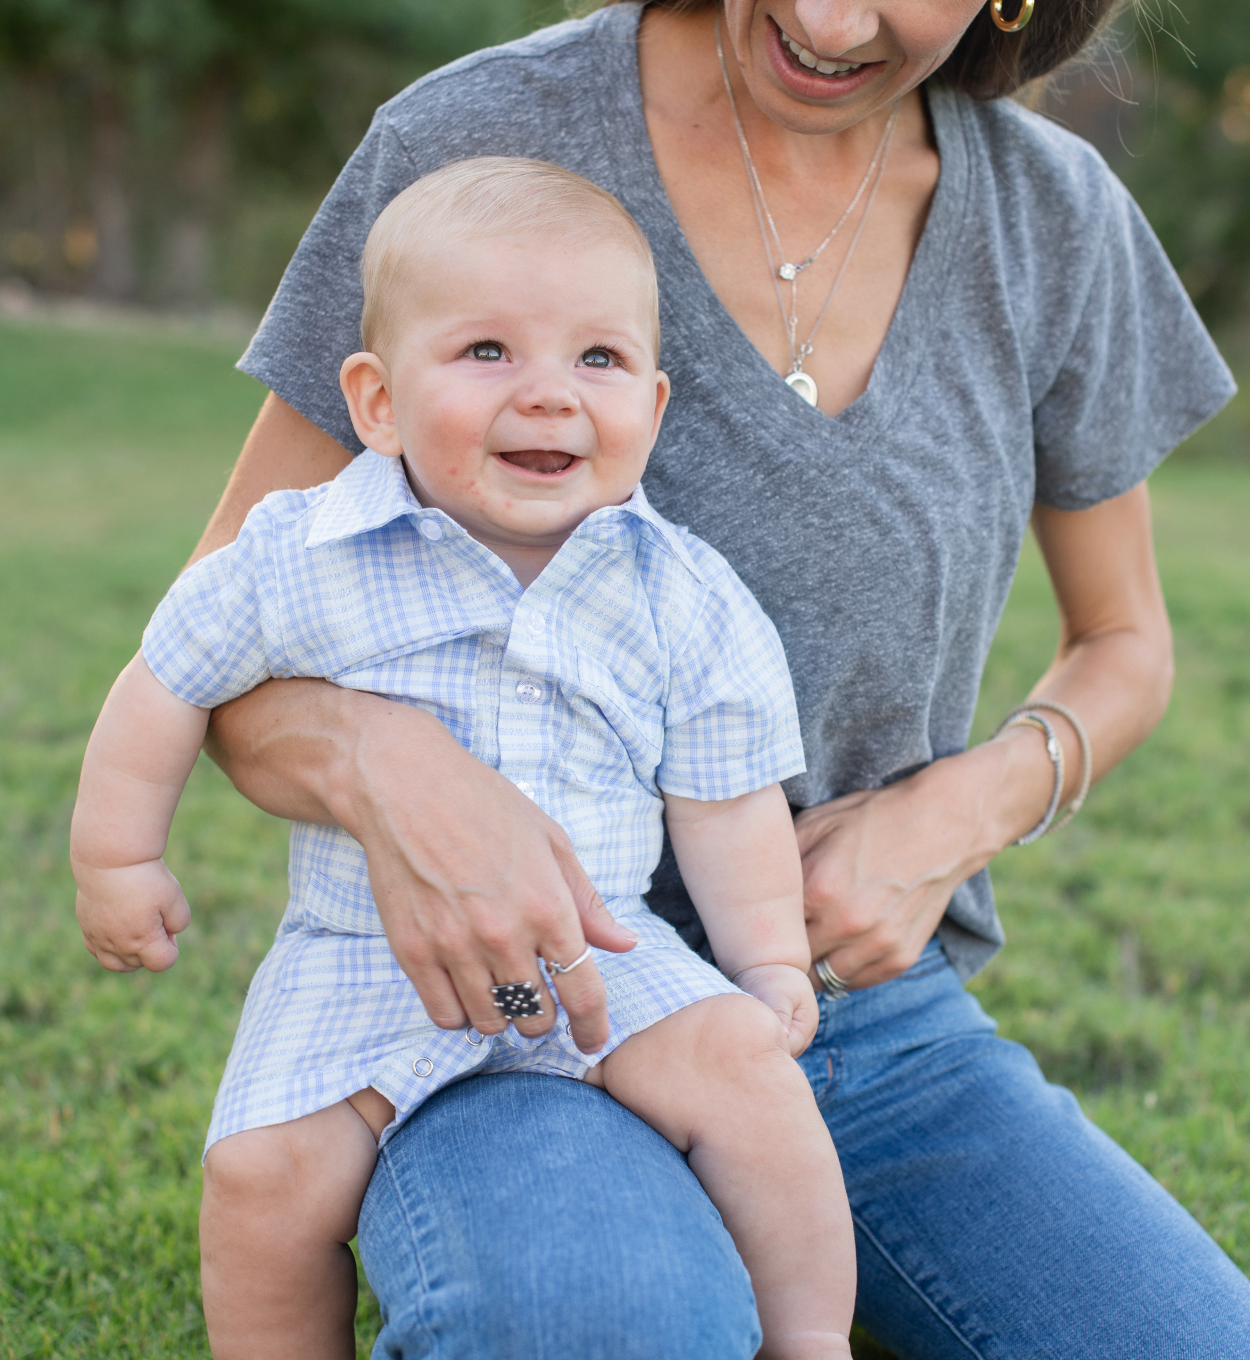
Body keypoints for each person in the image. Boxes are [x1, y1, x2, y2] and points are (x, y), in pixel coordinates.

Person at [176, 1, 1250, 1357]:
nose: (826, 17)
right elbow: (217, 633)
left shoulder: (1050, 218)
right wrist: (396, 778)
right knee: (612, 1322)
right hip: (504, 1006)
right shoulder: (473, 141)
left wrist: (949, 818)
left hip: (852, 1016)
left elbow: (1124, 645)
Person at [69, 158, 857, 1360]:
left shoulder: (680, 593)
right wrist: (119, 855)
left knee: (752, 1077)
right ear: (376, 402)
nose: (547, 396)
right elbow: (167, 676)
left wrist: (767, 961)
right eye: (487, 352)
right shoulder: (308, 553)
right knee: (259, 1177)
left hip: (604, 950)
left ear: (650, 406)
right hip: (361, 955)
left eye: (595, 360)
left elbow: (726, 798)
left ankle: (806, 1341)